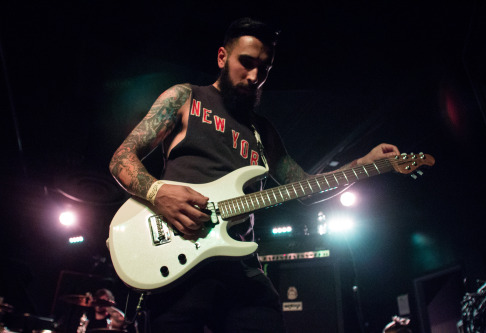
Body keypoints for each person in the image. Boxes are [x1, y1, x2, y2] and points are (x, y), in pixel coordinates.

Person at [109, 17, 400, 332]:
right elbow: (121, 158)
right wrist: (157, 193)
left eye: (264, 68)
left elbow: (307, 190)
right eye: (245, 63)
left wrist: (363, 164)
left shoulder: (264, 133)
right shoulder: (185, 98)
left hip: (242, 273)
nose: (254, 76)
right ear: (222, 57)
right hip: (181, 263)